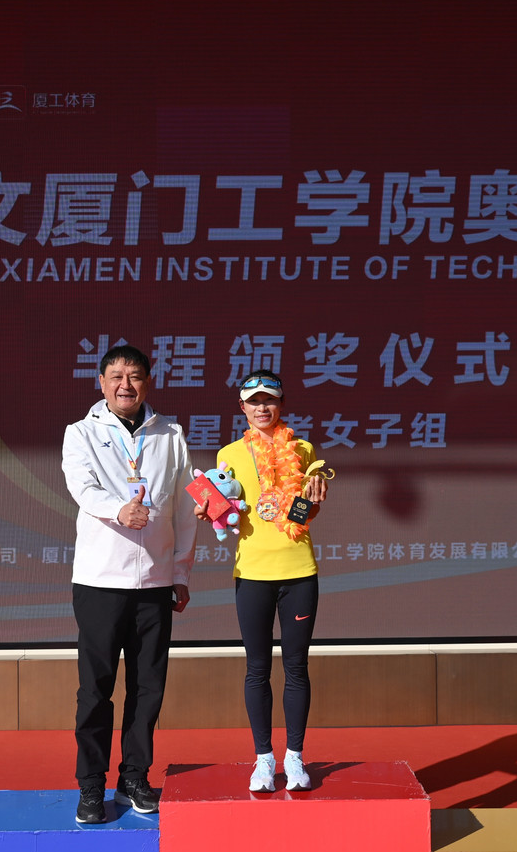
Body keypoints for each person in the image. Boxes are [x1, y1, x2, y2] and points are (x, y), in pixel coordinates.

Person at [62, 344, 197, 824]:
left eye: (135, 375)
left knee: (148, 687)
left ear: (147, 382)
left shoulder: (170, 434)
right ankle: (91, 784)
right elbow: (82, 487)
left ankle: (135, 776)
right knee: (96, 688)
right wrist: (119, 510)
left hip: (155, 581)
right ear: (100, 382)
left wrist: (179, 572)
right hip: (100, 580)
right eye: (116, 376)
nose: (125, 384)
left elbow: (184, 508)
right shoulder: (81, 433)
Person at [197, 370, 329, 793]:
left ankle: (294, 757)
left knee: (296, 666)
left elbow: (304, 514)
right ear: (242, 407)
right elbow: (224, 512)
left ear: (281, 403)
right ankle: (263, 759)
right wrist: (210, 512)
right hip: (252, 573)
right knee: (257, 668)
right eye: (253, 401)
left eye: (269, 399)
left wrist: (313, 501)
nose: (261, 408)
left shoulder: (303, 449)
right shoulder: (229, 454)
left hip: (298, 571)